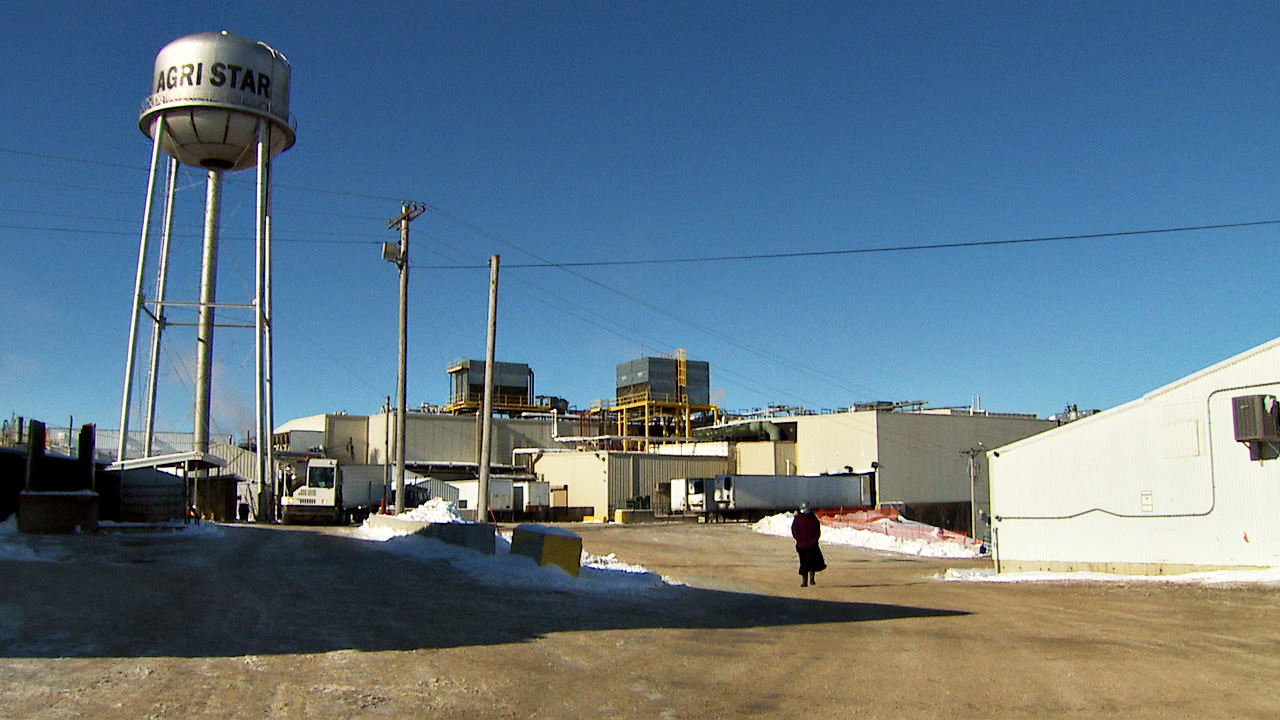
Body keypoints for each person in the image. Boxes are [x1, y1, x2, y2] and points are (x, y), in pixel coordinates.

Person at [790, 503, 825, 587]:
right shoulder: (801, 519)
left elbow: (817, 531)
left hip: (806, 545)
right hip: (805, 545)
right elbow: (795, 530)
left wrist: (802, 540)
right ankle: (806, 581)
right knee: (806, 563)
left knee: (808, 563)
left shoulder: (811, 519)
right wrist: (800, 539)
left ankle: (809, 580)